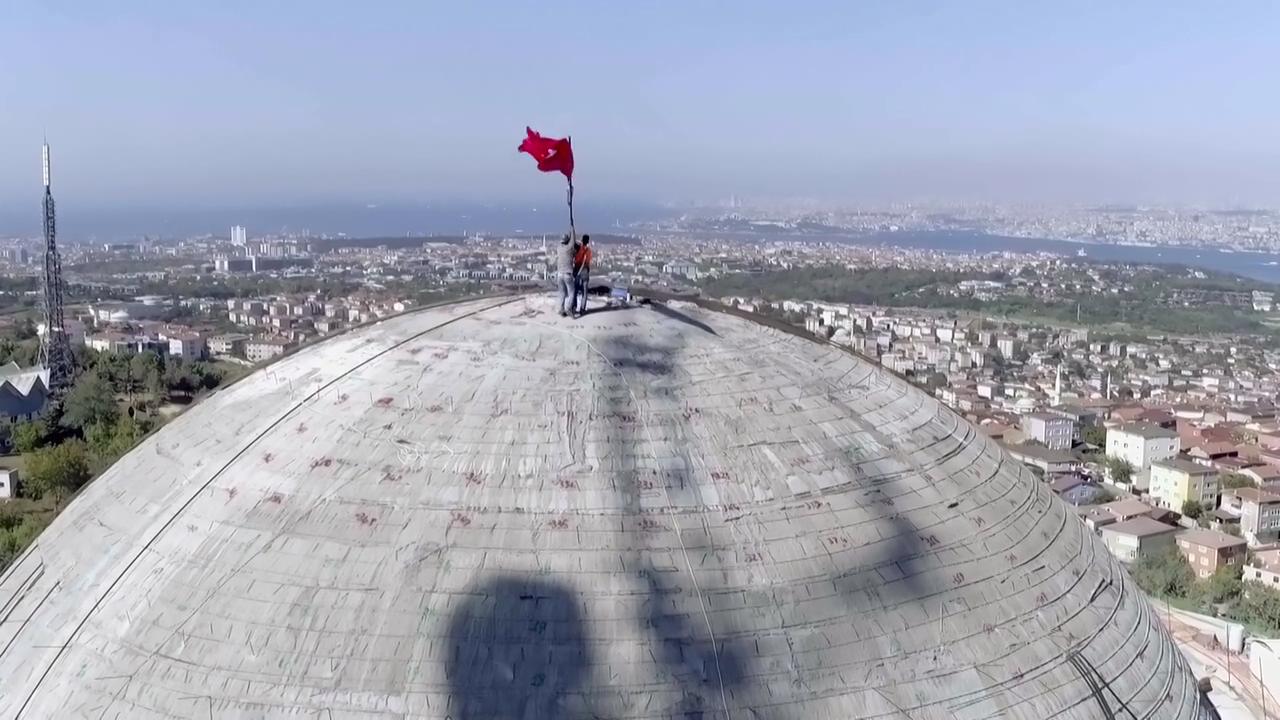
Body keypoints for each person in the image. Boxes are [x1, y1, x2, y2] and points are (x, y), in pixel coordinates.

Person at [555, 233, 578, 317]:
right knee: (571, 292)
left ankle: (561, 309)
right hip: (567, 274)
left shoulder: (559, 249)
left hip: (559, 274)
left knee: (562, 293)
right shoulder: (569, 249)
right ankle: (568, 308)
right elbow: (573, 241)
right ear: (567, 241)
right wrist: (572, 228)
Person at [572, 234, 592, 317]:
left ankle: (574, 306)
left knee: (575, 290)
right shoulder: (589, 250)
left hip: (577, 271)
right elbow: (588, 262)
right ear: (588, 241)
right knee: (584, 292)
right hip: (585, 272)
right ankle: (582, 309)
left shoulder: (578, 248)